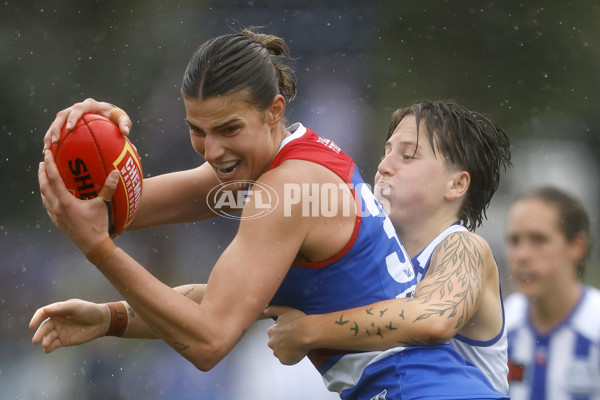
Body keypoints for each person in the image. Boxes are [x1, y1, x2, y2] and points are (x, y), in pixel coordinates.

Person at [30, 28, 507, 399]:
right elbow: (115, 213)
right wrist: (83, 140)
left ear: (274, 110)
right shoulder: (282, 163)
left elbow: (209, 341)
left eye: (228, 128)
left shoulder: (288, 187)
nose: (212, 150)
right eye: (197, 130)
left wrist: (99, 250)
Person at [263, 100, 512, 395]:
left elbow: (434, 319)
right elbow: (246, 290)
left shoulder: (464, 245)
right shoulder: (368, 259)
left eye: (407, 156)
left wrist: (308, 331)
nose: (383, 166)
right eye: (385, 152)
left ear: (456, 184)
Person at [503, 186, 600, 399]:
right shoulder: (500, 326)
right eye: (514, 241)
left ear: (577, 247)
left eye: (538, 240)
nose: (522, 254)